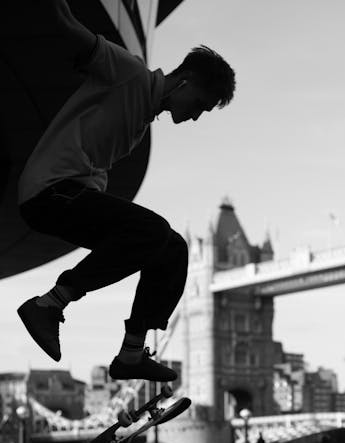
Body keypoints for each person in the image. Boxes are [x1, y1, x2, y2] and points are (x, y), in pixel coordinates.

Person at [16, 0, 236, 383]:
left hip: (68, 197)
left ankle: (132, 353)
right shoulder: (131, 74)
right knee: (151, 229)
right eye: (200, 105)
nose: (196, 116)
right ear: (184, 82)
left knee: (171, 247)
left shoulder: (142, 116)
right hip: (48, 192)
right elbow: (74, 32)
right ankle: (49, 304)